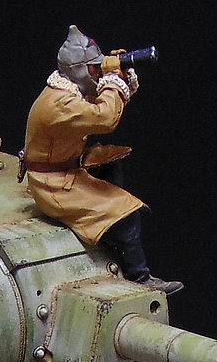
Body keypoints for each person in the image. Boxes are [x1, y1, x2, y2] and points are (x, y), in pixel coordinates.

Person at [21, 26, 182, 294]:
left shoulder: (66, 91)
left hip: (66, 170)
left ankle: (106, 228)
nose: (97, 73)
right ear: (80, 70)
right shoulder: (60, 104)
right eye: (94, 68)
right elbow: (106, 118)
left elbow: (101, 103)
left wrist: (116, 74)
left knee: (110, 162)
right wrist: (113, 81)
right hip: (53, 186)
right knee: (127, 216)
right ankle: (140, 278)